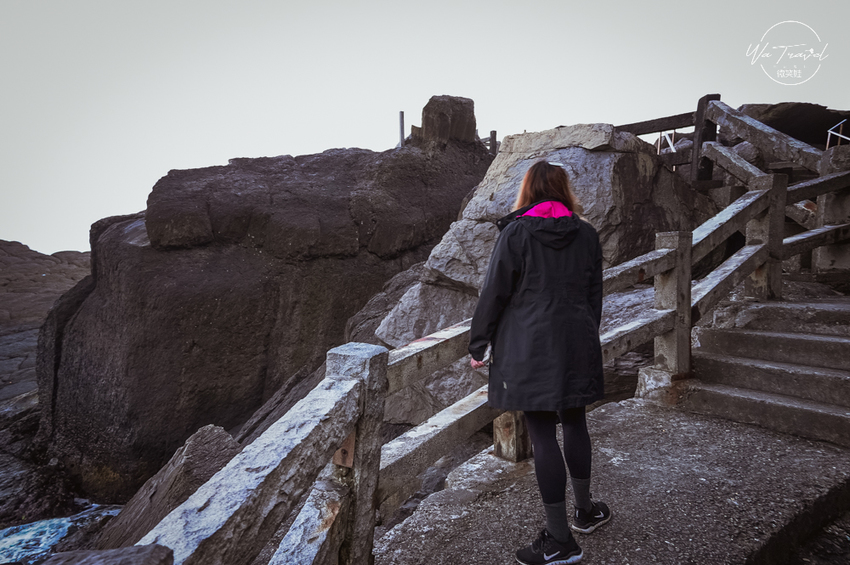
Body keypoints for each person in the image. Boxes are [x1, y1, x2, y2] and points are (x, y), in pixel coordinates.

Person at [468, 160, 610, 565]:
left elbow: (494, 291)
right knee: (577, 421)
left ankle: (561, 540)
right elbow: (593, 295)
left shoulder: (516, 233)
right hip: (577, 342)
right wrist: (583, 338)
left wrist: (479, 344)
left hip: (531, 349)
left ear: (528, 191)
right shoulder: (586, 234)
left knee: (544, 433)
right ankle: (585, 512)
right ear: (564, 191)